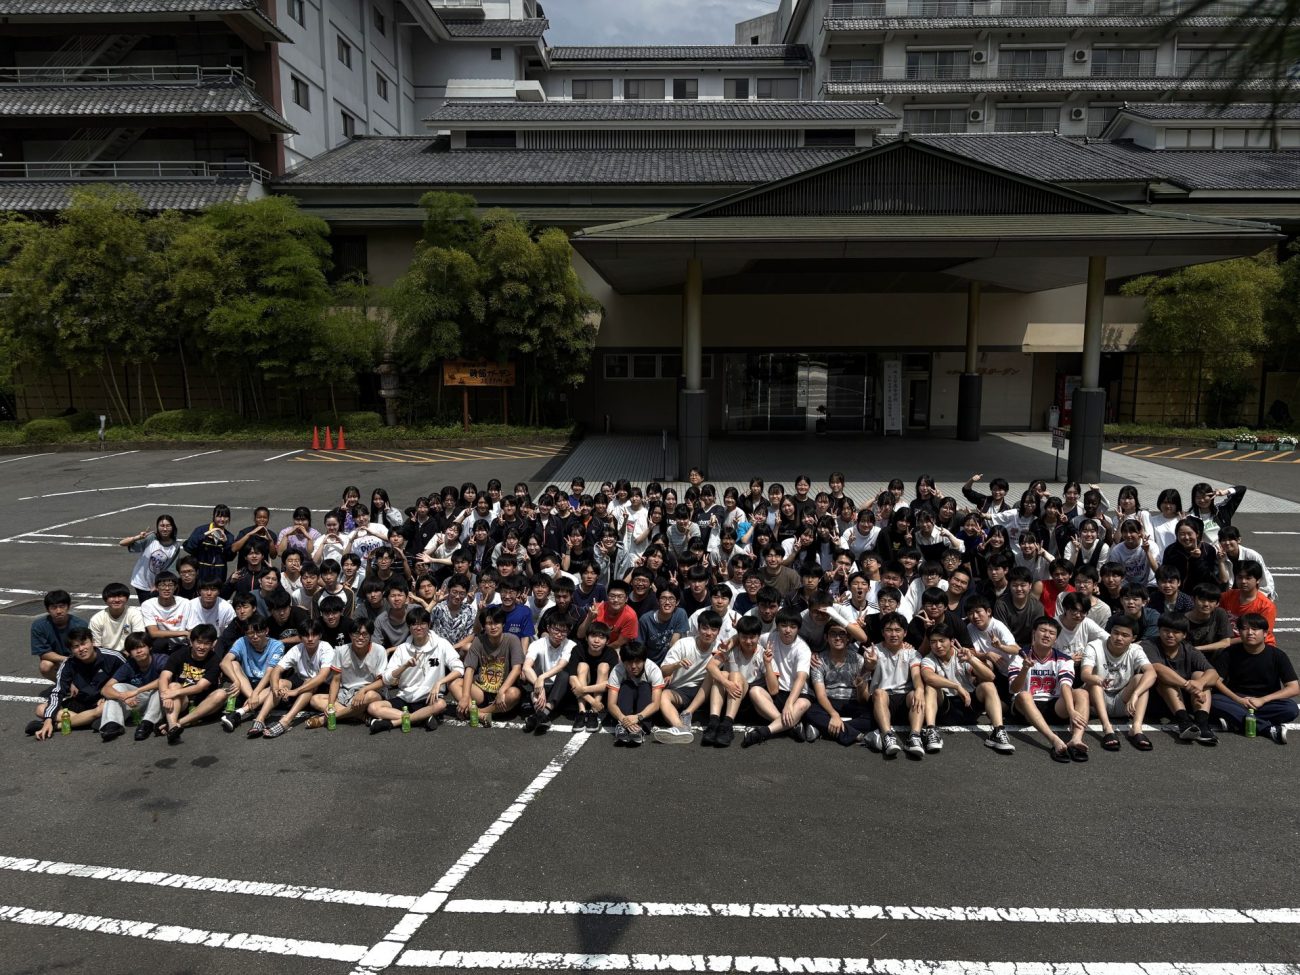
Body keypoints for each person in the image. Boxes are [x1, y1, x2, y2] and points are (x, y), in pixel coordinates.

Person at [920, 622, 1015, 754]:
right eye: (933, 642)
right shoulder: (928, 659)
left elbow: (990, 676)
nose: (938, 646)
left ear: (952, 641)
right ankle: (930, 731)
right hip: (946, 708)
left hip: (969, 704)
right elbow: (928, 677)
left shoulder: (962, 655)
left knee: (988, 685)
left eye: (942, 641)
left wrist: (971, 659)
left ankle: (998, 732)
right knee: (931, 687)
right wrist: (956, 686)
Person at [1009, 617, 1090, 763]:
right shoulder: (1020, 656)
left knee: (1082, 693)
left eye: (1052, 633)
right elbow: (1013, 689)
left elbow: (1066, 686)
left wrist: (1071, 710)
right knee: (1024, 695)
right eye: (1043, 630)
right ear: (1034, 633)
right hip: (1027, 707)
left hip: (1054, 705)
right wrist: (1024, 669)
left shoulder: (1065, 659)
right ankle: (1054, 740)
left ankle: (1076, 740)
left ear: (1056, 639)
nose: (1047, 635)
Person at [369, 608, 463, 733]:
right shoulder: (402, 649)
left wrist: (440, 682)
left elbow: (459, 668)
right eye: (414, 624)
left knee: (441, 704)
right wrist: (404, 666)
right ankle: (421, 718)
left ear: (429, 624)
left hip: (429, 698)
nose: (418, 628)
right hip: (405, 697)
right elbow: (387, 679)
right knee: (373, 707)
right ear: (409, 627)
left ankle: (393, 722)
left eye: (422, 623)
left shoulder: (441, 644)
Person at [1209, 614, 1299, 743]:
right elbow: (1216, 681)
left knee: (1291, 709)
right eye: (1245, 629)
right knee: (1213, 700)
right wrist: (1238, 700)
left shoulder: (1278, 655)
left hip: (1265, 702)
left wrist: (1262, 700)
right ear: (1239, 632)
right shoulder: (1229, 652)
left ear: (1265, 633)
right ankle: (1267, 729)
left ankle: (1235, 722)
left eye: (1255, 629)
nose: (1250, 632)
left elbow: (1294, 688)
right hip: (1236, 700)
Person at [25, 628, 125, 740]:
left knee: (104, 708)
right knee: (41, 709)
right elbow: (57, 692)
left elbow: (128, 680)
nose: (81, 649)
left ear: (93, 642)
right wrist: (48, 720)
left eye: (84, 643)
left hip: (104, 701)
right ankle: (90, 720)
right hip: (83, 701)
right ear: (71, 650)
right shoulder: (68, 664)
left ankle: (58, 726)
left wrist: (108, 695)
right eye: (76, 646)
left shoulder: (113, 657)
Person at [1141, 613, 1219, 746]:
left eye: (1176, 632)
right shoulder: (1148, 645)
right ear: (1159, 630)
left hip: (1186, 699)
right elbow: (1157, 668)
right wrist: (1187, 685)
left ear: (1184, 635)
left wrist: (1199, 684)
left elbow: (1214, 674)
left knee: (1200, 675)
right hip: (1157, 700)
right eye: (1166, 630)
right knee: (1165, 679)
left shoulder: (1189, 649)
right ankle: (1184, 722)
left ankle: (1202, 724)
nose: (1170, 635)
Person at [1080, 616, 1156, 751]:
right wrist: (1098, 679)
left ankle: (1136, 729)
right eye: (1116, 633)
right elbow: (1085, 674)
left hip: (1123, 701)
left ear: (1133, 638)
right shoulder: (1094, 646)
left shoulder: (1135, 649)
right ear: (1110, 632)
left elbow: (1152, 673)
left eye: (1125, 635)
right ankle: (1107, 729)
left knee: (1141, 679)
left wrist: (1135, 694)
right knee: (1094, 683)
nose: (1119, 638)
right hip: (1098, 702)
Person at [252, 621, 338, 739]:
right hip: (304, 681)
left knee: (309, 682)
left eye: (314, 635)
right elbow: (276, 670)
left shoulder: (326, 647)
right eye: (306, 635)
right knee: (280, 682)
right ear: (300, 637)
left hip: (323, 685)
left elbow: (322, 676)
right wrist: (275, 688)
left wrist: (296, 691)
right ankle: (260, 719)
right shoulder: (297, 649)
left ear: (320, 636)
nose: (310, 639)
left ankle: (286, 721)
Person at [863, 612, 925, 759]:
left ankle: (915, 737)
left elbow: (916, 675)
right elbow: (866, 670)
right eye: (889, 630)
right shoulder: (873, 651)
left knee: (915, 694)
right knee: (879, 693)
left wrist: (920, 689)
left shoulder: (912, 653)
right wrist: (870, 664)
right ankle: (887, 736)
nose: (893, 634)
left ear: (905, 633)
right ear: (882, 632)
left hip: (904, 699)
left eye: (898, 630)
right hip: (882, 700)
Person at [653, 609, 721, 744]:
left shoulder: (719, 648)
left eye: (713, 629)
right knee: (663, 695)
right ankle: (681, 728)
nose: (708, 633)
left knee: (712, 672)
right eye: (705, 628)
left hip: (702, 691)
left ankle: (687, 713)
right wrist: (677, 665)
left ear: (718, 631)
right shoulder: (684, 644)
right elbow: (663, 671)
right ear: (698, 628)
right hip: (680, 690)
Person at [803, 620, 875, 746]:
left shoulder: (859, 660)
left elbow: (863, 699)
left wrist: (862, 680)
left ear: (848, 638)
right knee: (810, 712)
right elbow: (821, 695)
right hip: (828, 701)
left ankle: (824, 729)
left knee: (873, 716)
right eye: (833, 634)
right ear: (826, 637)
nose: (837, 638)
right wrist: (834, 714)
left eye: (842, 634)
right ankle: (853, 734)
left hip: (852, 701)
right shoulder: (818, 660)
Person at [306, 618, 386, 729]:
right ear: (350, 635)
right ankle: (361, 716)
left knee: (371, 696)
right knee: (315, 700)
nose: (360, 637)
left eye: (364, 634)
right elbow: (335, 680)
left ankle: (329, 718)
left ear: (371, 635)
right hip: (346, 693)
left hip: (369, 691)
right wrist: (330, 705)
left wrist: (363, 690)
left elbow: (382, 681)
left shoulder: (379, 650)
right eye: (356, 633)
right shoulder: (341, 651)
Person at [218, 613, 288, 738]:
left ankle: (239, 712)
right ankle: (255, 705)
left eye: (258, 632)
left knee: (279, 682)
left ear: (266, 631)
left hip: (267, 683)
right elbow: (224, 662)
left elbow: (270, 673)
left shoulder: (277, 645)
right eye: (250, 633)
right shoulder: (242, 641)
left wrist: (256, 694)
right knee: (233, 663)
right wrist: (236, 681)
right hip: (247, 684)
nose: (254, 636)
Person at [156, 624, 227, 745]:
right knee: (173, 685)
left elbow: (200, 687)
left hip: (203, 704)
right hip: (182, 702)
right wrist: (165, 695)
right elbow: (164, 676)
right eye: (199, 642)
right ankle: (173, 726)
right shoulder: (179, 654)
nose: (202, 647)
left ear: (213, 644)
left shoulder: (215, 660)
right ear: (191, 641)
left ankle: (175, 724)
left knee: (221, 693)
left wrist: (173, 693)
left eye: (207, 643)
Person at [457, 605, 524, 724]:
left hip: (502, 690)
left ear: (503, 624)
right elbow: (470, 669)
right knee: (455, 683)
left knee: (514, 693)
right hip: (480, 691)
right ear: (484, 626)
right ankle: (480, 715)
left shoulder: (512, 640)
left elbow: (517, 668)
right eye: (488, 623)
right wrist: (465, 696)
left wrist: (502, 691)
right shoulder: (478, 640)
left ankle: (477, 712)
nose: (493, 627)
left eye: (496, 623)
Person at [98, 632, 168, 742]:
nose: (139, 651)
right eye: (134, 649)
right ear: (129, 652)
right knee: (116, 687)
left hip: (159, 702)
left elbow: (165, 679)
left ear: (149, 647)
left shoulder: (161, 659)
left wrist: (136, 691)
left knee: (161, 687)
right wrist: (122, 696)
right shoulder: (129, 665)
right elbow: (105, 689)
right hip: (137, 702)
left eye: (142, 646)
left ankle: (147, 723)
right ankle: (113, 725)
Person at [522, 610, 576, 733]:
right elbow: (526, 666)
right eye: (556, 630)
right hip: (539, 686)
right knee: (525, 675)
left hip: (559, 687)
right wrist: (538, 684)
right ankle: (543, 716)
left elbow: (561, 666)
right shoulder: (537, 644)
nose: (559, 635)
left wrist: (541, 678)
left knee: (564, 675)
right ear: (548, 628)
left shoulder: (570, 645)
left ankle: (541, 714)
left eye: (564, 631)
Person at [605, 641, 665, 747]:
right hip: (625, 710)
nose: (633, 666)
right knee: (626, 685)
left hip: (643, 709)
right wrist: (623, 719)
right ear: (623, 661)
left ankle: (640, 728)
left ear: (644, 660)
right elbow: (611, 704)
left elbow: (656, 704)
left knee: (645, 686)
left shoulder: (653, 669)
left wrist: (638, 717)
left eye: (637, 662)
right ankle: (623, 727)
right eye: (629, 662)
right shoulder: (617, 670)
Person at [30, 589, 89, 681]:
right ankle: (62, 684)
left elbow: (87, 648)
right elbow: (44, 653)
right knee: (45, 666)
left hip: (78, 658)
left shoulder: (80, 625)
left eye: (62, 606)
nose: (58, 611)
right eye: (54, 607)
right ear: (47, 610)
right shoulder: (39, 626)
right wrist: (66, 659)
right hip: (57, 661)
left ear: (68, 607)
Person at [567, 620, 617, 730]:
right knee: (582, 665)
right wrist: (592, 701)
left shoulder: (611, 653)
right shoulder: (578, 649)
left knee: (603, 666)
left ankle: (594, 712)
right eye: (593, 636)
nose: (596, 641)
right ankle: (581, 711)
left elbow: (611, 683)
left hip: (599, 692)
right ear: (586, 638)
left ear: (607, 641)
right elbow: (572, 678)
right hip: (583, 692)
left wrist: (583, 690)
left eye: (601, 637)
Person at [121, 513, 180, 602]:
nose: (165, 529)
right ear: (157, 527)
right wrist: (138, 537)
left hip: (159, 585)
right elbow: (122, 543)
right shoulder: (151, 538)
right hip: (141, 582)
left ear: (173, 527)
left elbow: (171, 569)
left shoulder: (175, 546)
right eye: (162, 526)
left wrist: (158, 584)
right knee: (146, 606)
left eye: (168, 526)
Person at [1220, 562, 1277, 645]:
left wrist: (1226, 643)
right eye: (1240, 577)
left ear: (1258, 580)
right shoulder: (1227, 596)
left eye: (1248, 578)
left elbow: (1261, 635)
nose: (1243, 581)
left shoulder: (1266, 606)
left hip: (1257, 645)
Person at [575, 579, 638, 650]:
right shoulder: (597, 608)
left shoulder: (630, 616)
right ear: (607, 596)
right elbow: (580, 635)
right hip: (592, 645)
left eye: (620, 597)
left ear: (626, 599)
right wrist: (589, 618)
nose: (616, 600)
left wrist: (599, 651)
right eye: (612, 596)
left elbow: (620, 642)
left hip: (613, 648)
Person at [139, 572, 191, 654]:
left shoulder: (185, 603)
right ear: (156, 587)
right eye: (163, 585)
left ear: (175, 587)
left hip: (181, 644)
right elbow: (153, 633)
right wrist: (184, 633)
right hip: (160, 643)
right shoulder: (148, 604)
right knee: (160, 642)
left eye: (170, 585)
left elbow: (190, 627)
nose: (167, 588)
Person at [88, 582, 146, 655]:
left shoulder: (135, 614)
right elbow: (96, 646)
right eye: (112, 597)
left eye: (120, 596)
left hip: (129, 654)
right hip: (106, 656)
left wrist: (124, 655)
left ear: (127, 598)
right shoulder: (96, 619)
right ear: (105, 600)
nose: (117, 600)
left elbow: (138, 640)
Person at [182, 504, 234, 584]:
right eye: (219, 516)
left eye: (225, 517)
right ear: (213, 516)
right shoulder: (200, 530)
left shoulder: (229, 536)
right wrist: (204, 536)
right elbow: (189, 547)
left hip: (219, 574)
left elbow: (230, 557)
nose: (222, 519)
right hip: (200, 572)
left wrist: (225, 543)